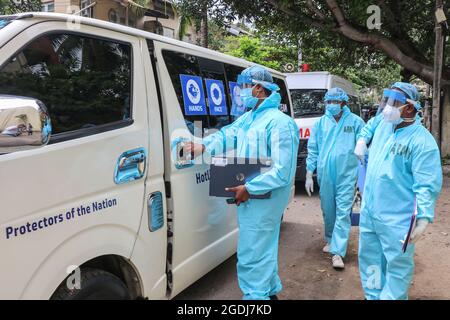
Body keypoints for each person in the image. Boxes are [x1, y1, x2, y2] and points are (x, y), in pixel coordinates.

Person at [186, 65, 299, 300]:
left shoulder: (280, 123)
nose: (240, 92)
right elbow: (228, 134)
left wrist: (250, 187)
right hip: (253, 195)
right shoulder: (250, 117)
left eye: (244, 87)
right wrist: (203, 145)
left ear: (258, 88)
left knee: (252, 252)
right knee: (262, 247)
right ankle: (268, 292)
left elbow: (283, 171)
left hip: (264, 196)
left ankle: (256, 298)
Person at [358, 82, 443, 300]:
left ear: (409, 107)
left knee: (397, 268)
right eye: (386, 100)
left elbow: (426, 183)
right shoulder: (384, 125)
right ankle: (373, 295)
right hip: (370, 213)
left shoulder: (422, 141)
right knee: (371, 262)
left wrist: (423, 218)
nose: (387, 106)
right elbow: (370, 125)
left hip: (398, 219)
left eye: (394, 102)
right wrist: (361, 140)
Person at [305, 87, 365, 269]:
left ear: (343, 103)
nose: (331, 105)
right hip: (325, 174)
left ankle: (338, 252)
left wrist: (362, 177)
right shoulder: (320, 124)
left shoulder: (356, 122)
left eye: (335, 102)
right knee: (328, 209)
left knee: (343, 212)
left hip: (347, 174)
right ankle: (331, 239)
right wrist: (309, 172)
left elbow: (363, 149)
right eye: (328, 102)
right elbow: (313, 149)